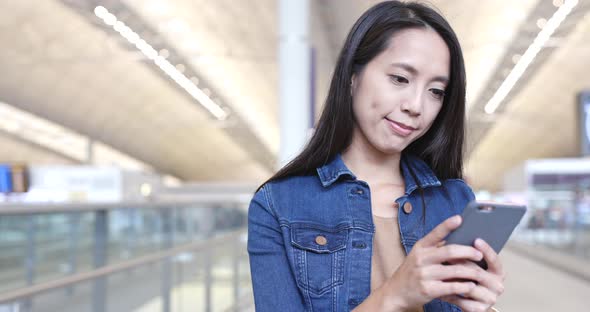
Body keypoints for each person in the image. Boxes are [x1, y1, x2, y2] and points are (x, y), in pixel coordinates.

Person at [247, 1, 504, 311]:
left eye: (436, 91)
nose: (416, 106)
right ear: (353, 76)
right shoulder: (278, 205)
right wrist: (395, 294)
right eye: (400, 79)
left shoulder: (453, 200)